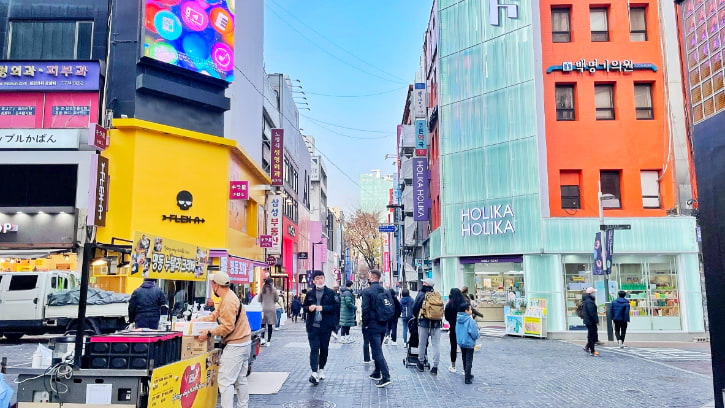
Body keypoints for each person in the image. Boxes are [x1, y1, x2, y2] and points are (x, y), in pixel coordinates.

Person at [195, 272, 251, 408]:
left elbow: (227, 327)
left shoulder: (228, 301)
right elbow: (216, 314)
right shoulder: (229, 296)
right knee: (240, 379)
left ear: (216, 285)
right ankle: (244, 406)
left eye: (212, 283)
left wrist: (209, 332)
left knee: (225, 381)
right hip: (245, 341)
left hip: (236, 345)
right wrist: (198, 320)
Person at [302, 271, 339, 385]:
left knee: (324, 349)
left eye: (321, 278)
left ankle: (321, 369)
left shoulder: (330, 293)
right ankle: (314, 372)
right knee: (314, 348)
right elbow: (304, 307)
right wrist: (309, 308)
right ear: (313, 280)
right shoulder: (310, 293)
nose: (319, 280)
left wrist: (323, 308)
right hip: (313, 326)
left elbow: (336, 307)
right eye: (317, 278)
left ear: (324, 279)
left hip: (325, 326)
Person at [361, 269, 392, 388]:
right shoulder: (385, 291)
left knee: (376, 350)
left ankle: (385, 376)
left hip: (372, 324)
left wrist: (365, 323)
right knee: (378, 347)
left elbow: (365, 309)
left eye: (369, 276)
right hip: (383, 323)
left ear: (373, 277)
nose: (368, 277)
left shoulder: (367, 291)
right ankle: (376, 372)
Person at [412, 278, 444, 375]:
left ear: (426, 284)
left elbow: (414, 307)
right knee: (436, 344)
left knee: (422, 343)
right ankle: (435, 367)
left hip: (424, 322)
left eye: (424, 282)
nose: (422, 283)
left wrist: (416, 316)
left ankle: (421, 363)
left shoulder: (422, 294)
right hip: (436, 323)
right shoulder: (436, 295)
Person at [444, 288, 468, 373]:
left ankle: (453, 366)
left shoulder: (449, 305)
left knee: (453, 347)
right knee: (464, 348)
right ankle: (465, 368)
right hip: (463, 328)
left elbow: (446, 316)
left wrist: (451, 321)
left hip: (453, 328)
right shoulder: (465, 304)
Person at [456, 303, 480, 384]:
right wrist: (476, 336)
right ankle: (467, 377)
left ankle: (467, 373)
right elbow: (474, 333)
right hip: (469, 342)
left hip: (461, 342)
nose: (471, 311)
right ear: (466, 311)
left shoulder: (458, 319)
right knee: (469, 359)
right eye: (470, 309)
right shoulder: (470, 320)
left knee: (464, 357)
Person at [258, 278, 278, 346]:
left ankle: (262, 338)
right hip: (271, 309)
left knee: (262, 324)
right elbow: (277, 299)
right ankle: (268, 341)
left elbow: (259, 299)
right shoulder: (274, 289)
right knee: (270, 325)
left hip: (263, 308)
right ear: (271, 283)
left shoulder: (262, 289)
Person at [582, 287, 600, 356]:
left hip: (588, 320)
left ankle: (587, 347)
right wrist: (596, 320)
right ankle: (592, 350)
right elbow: (592, 312)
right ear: (591, 293)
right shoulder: (589, 301)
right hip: (590, 321)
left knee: (592, 335)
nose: (594, 294)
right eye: (593, 292)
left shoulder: (587, 300)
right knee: (592, 335)